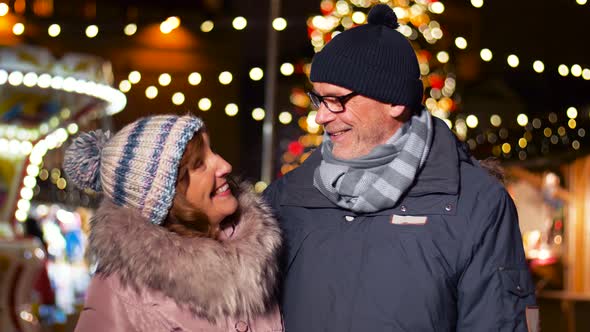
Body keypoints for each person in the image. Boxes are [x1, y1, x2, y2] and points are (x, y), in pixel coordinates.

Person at [264, 4, 536, 332]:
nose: (321, 116)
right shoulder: (287, 197)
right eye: (318, 100)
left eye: (337, 100)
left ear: (395, 101)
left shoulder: (475, 204)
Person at [64, 114, 283, 332]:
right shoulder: (118, 294)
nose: (225, 165)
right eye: (199, 164)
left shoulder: (268, 253)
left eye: (212, 151)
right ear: (167, 197)